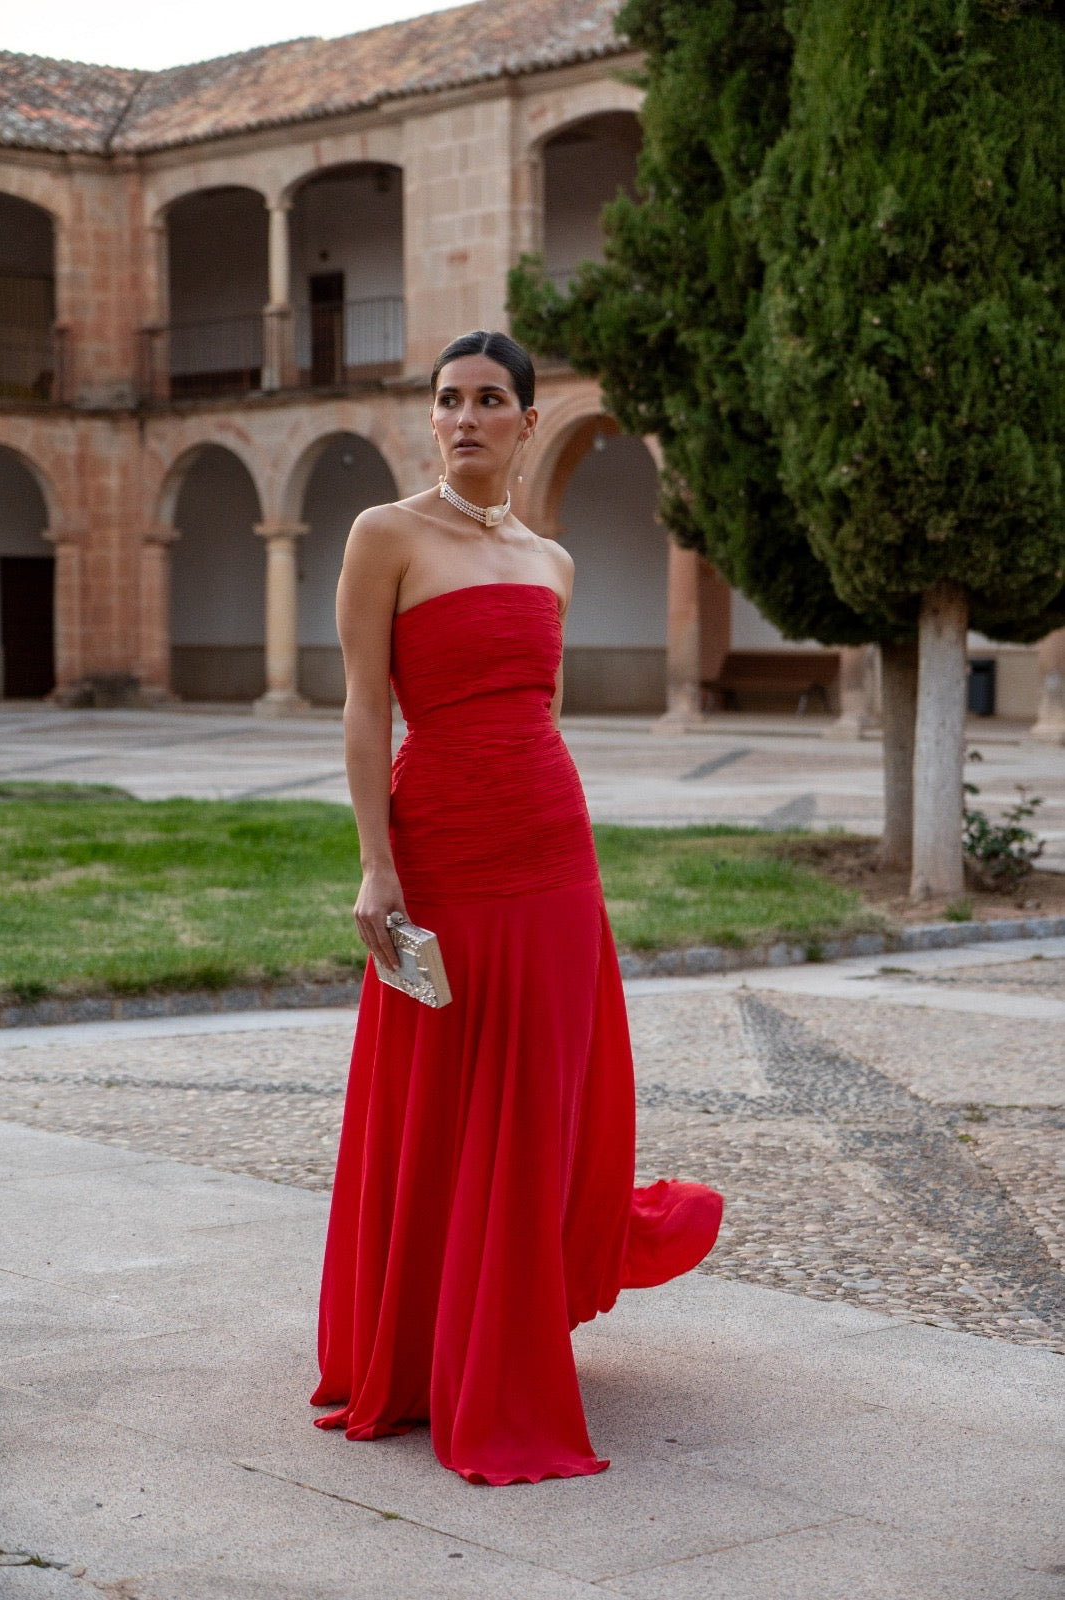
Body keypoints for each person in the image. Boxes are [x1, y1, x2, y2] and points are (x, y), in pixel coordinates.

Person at [311, 329, 723, 1485]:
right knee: (440, 1092)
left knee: (541, 1095)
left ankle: (506, 1333)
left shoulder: (552, 561)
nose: (465, 417)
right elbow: (363, 707)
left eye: (490, 399)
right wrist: (376, 862)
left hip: (550, 851)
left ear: (528, 422)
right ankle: (426, 1343)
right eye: (449, 399)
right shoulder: (384, 534)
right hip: (440, 847)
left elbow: (537, 707)